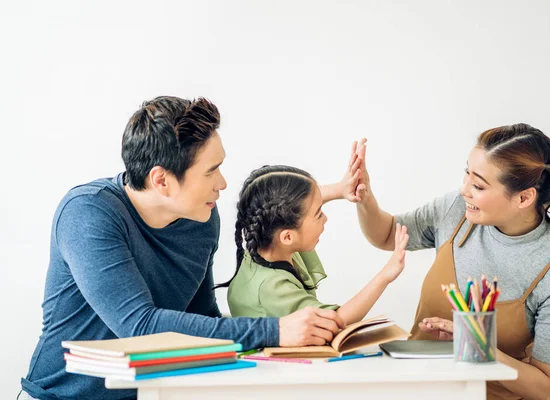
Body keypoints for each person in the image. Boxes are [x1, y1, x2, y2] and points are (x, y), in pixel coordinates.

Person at [19, 96, 345, 400]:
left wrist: (285, 348)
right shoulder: (88, 214)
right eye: (211, 170)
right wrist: (274, 330)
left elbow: (201, 317)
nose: (223, 184)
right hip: (61, 395)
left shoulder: (201, 216)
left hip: (152, 393)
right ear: (161, 180)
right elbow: (140, 327)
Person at [351, 124, 550, 400]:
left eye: (478, 185)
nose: (464, 189)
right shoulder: (455, 210)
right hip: (419, 390)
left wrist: (478, 345)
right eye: (466, 173)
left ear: (524, 197)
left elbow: (544, 386)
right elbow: (386, 235)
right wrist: (365, 197)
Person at [218, 164, 409, 325]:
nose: (325, 218)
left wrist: (341, 189)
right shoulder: (273, 287)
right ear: (287, 237)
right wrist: (386, 275)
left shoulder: (268, 242)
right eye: (318, 214)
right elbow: (336, 320)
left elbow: (292, 206)